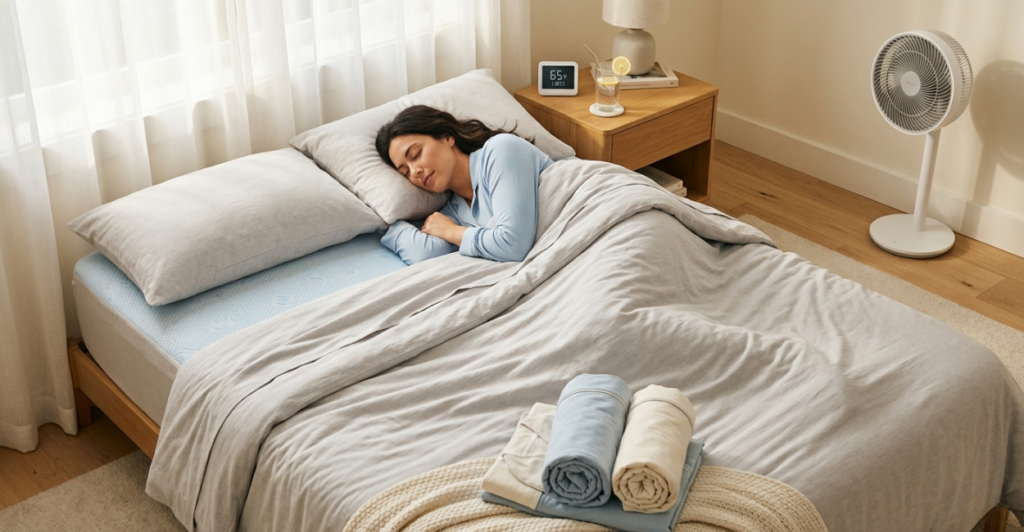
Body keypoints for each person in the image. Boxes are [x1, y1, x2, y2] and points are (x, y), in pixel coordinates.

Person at [375, 105, 553, 265]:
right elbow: (426, 254)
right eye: (405, 172)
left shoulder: (501, 150)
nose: (415, 172)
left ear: (447, 138)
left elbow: (513, 244)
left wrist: (451, 231)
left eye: (416, 154)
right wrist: (391, 226)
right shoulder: (453, 212)